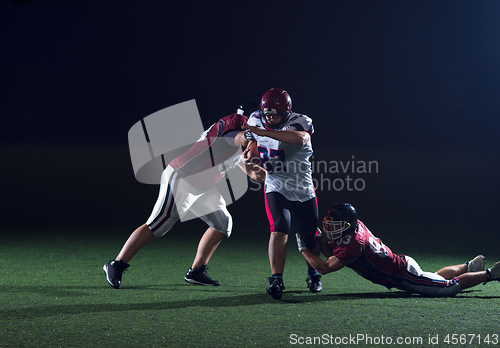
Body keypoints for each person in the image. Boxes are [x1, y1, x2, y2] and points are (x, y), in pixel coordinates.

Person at [103, 101, 265, 289]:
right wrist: (259, 136)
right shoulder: (234, 132)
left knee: (223, 224)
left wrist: (278, 178)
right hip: (183, 178)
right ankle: (117, 264)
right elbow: (241, 139)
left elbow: (254, 172)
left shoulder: (241, 145)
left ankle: (196, 271)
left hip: (203, 187)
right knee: (158, 225)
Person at [296, 202, 500, 296]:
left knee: (448, 288)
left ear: (347, 225)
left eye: (335, 225)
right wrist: (322, 241)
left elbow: (324, 267)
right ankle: (468, 267)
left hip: (402, 275)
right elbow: (334, 254)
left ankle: (490, 274)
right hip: (403, 265)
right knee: (433, 277)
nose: (331, 228)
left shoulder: (353, 245)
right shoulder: (355, 228)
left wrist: (304, 248)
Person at [242, 88, 321, 300]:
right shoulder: (256, 119)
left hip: (302, 187)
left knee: (309, 236)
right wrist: (250, 146)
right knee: (279, 228)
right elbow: (249, 140)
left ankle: (313, 274)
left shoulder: (301, 121)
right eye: (268, 114)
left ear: (287, 112)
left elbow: (301, 139)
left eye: (276, 114)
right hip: (276, 184)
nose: (271, 118)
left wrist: (263, 132)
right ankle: (276, 278)